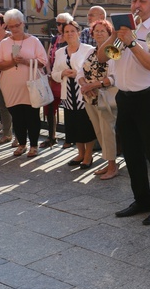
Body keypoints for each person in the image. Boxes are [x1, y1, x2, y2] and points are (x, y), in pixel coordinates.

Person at [97, 0, 150, 226]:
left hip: (149, 98)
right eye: (133, 1)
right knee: (131, 153)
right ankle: (141, 199)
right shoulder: (124, 27)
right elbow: (102, 57)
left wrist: (131, 42)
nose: (136, 5)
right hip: (125, 97)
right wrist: (114, 35)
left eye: (141, 1)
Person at [0, 9, 48, 157]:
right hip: (10, 86)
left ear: (23, 23)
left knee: (32, 116)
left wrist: (25, 61)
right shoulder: (4, 43)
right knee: (17, 116)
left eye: (17, 25)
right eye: (11, 26)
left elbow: (43, 62)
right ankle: (21, 144)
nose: (14, 29)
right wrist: (12, 62)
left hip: (30, 85)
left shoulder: (34, 41)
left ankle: (33, 145)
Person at [78, 19, 119, 180]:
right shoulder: (90, 52)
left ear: (110, 34)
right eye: (97, 31)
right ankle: (108, 163)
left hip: (106, 97)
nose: (99, 33)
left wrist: (94, 85)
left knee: (108, 131)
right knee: (99, 131)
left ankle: (112, 166)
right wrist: (84, 85)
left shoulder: (113, 51)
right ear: (92, 34)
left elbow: (114, 77)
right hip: (90, 98)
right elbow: (80, 71)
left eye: (103, 31)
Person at [52, 21, 96, 168]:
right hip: (68, 94)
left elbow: (93, 71)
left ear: (78, 32)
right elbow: (54, 73)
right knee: (74, 125)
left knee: (86, 124)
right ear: (63, 35)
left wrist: (77, 74)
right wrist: (63, 73)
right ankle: (80, 153)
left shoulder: (89, 50)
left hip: (84, 92)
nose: (69, 34)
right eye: (66, 32)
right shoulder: (59, 52)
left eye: (72, 31)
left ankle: (88, 155)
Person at [41, 13, 73, 148]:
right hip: (53, 77)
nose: (59, 26)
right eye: (57, 24)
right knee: (49, 108)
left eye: (61, 24)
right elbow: (48, 57)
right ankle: (51, 136)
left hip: (65, 78)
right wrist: (48, 73)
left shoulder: (71, 40)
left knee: (68, 108)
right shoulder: (54, 40)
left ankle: (69, 138)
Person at [0, 13, 13, 145]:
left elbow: (15, 57)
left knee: (13, 105)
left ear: (3, 25)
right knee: (2, 106)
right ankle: (7, 133)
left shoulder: (10, 38)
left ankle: (19, 137)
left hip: (8, 75)